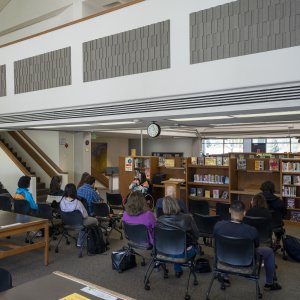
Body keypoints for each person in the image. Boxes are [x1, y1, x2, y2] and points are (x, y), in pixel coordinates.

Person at [214, 200, 281, 291]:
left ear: (229, 210)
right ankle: (269, 284)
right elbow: (256, 246)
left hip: (223, 260)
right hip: (246, 262)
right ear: (244, 212)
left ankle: (224, 277)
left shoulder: (218, 226)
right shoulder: (252, 231)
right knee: (269, 251)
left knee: (225, 246)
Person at [156, 196, 200, 277]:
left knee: (175, 243)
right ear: (176, 204)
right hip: (183, 254)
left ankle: (178, 269)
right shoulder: (187, 218)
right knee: (191, 246)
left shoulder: (159, 220)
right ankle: (177, 269)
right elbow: (197, 235)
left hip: (164, 252)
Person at [260, 181, 287, 248]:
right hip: (276, 225)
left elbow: (252, 212)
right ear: (273, 190)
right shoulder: (279, 202)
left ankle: (264, 241)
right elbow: (284, 215)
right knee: (279, 226)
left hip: (260, 225)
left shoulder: (256, 200)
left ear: (262, 188)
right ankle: (277, 241)